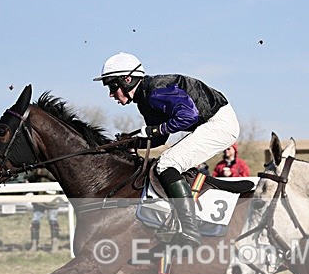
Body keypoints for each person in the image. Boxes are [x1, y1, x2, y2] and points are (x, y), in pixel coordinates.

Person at [93, 52, 239, 246]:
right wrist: (131, 143)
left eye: (112, 86)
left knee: (167, 164)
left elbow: (188, 117)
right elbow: (159, 139)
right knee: (166, 162)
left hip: (219, 124)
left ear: (127, 80)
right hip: (210, 123)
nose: (111, 94)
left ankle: (190, 231)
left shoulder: (155, 91)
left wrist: (153, 129)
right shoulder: (145, 100)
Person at [26, 168, 62, 253]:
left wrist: (46, 173)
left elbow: (58, 178)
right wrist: (36, 173)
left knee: (53, 222)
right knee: (35, 222)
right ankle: (34, 245)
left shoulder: (54, 166)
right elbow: (28, 177)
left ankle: (54, 245)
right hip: (39, 200)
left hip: (52, 200)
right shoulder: (36, 168)